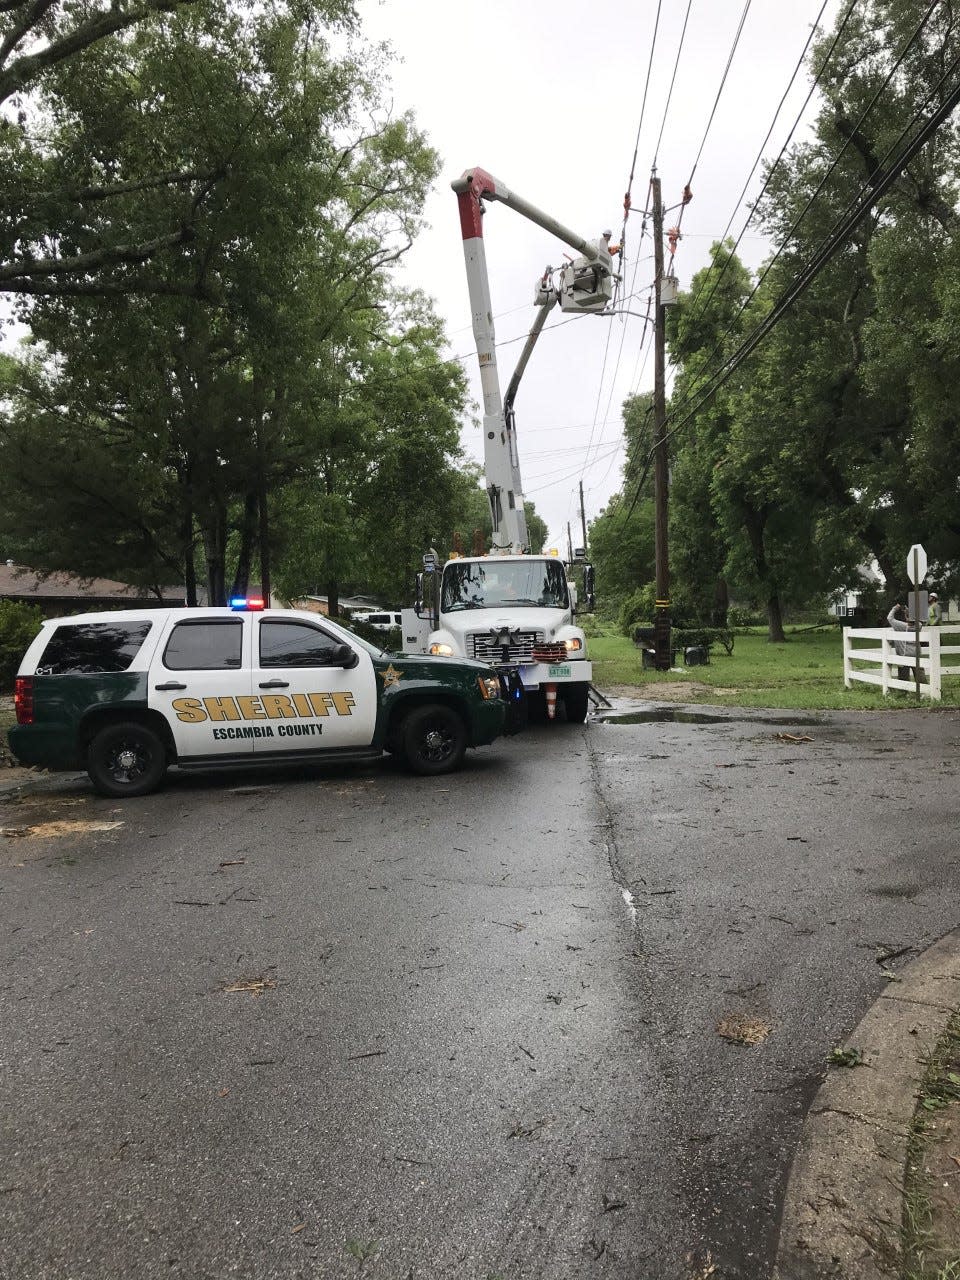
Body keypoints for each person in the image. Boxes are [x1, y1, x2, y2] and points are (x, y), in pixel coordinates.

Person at [886, 603, 914, 681]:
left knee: (903, 676)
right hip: (916, 653)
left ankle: (904, 691)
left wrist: (895, 608)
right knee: (919, 674)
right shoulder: (919, 625)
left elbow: (890, 618)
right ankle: (925, 691)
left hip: (904, 654)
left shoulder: (901, 626)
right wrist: (908, 612)